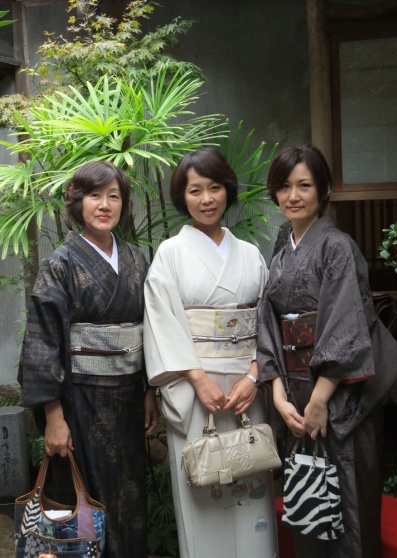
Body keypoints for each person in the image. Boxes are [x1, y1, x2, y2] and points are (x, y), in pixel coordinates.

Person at [257, 145, 397, 558]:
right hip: (296, 397)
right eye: (284, 186)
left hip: (340, 398)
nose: (293, 196)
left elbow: (347, 324)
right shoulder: (280, 253)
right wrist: (278, 396)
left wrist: (320, 400)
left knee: (348, 507)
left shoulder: (337, 246)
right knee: (309, 506)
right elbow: (268, 324)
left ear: (324, 190)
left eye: (304, 185)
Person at [18, 161, 159, 558]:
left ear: (123, 204)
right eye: (95, 195)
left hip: (128, 398)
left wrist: (149, 390)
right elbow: (43, 341)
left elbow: (150, 331)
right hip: (79, 401)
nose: (105, 205)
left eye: (114, 196)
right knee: (83, 500)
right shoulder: (60, 263)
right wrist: (53, 416)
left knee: (129, 499)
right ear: (78, 202)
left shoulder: (137, 259)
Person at [143, 148, 278, 558]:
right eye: (195, 190)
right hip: (194, 388)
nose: (206, 199)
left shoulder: (250, 254)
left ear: (227, 190)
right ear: (182, 197)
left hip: (246, 390)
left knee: (251, 480)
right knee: (203, 485)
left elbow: (267, 321)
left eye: (214, 188)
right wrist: (198, 380)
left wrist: (254, 374)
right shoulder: (170, 253)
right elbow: (161, 320)